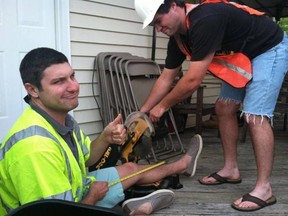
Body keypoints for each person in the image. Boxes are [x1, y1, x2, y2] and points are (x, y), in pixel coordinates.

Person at [0, 47, 203, 216]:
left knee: (131, 168)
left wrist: (105, 138)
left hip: (76, 189)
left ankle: (182, 165)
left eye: (72, 76)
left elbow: (87, 159)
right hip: (69, 203)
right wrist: (92, 197)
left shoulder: (59, 117)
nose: (73, 87)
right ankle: (140, 210)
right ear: (33, 90)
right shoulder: (35, 148)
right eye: (59, 82)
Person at [134, 0, 288, 212]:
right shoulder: (178, 38)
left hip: (269, 48)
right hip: (243, 54)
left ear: (173, 6)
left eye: (159, 22)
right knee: (224, 107)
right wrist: (142, 112)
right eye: (154, 26)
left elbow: (193, 80)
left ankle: (264, 189)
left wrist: (162, 107)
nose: (159, 29)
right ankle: (230, 169)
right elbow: (166, 78)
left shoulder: (205, 19)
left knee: (255, 115)